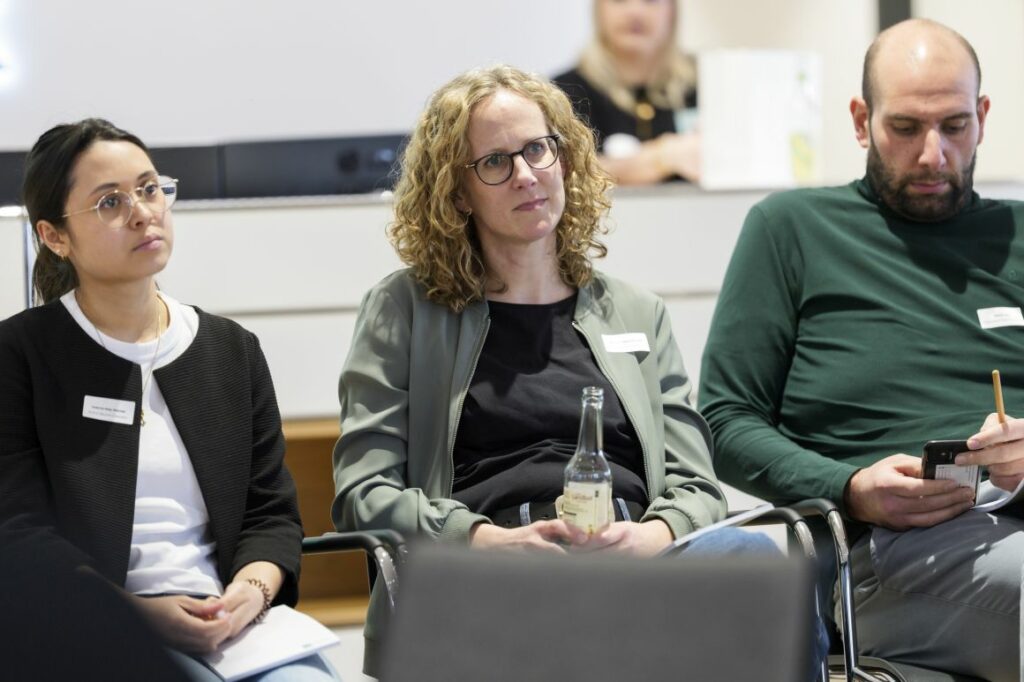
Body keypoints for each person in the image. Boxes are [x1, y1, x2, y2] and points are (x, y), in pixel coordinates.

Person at [331, 65, 730, 675]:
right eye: (495, 162)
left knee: (752, 562)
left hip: (632, 566)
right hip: (485, 573)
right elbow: (363, 493)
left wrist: (650, 538)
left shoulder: (635, 312)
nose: (525, 175)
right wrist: (481, 539)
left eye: (538, 149)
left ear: (564, 159)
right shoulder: (405, 310)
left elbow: (698, 488)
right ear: (456, 193)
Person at [699, 18, 1023, 680]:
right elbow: (723, 422)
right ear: (860, 120)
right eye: (905, 127)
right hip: (891, 548)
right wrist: (847, 487)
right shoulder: (793, 229)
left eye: (955, 126)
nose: (932, 154)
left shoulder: (1018, 235)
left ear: (983, 117)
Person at [0, 119, 338, 681]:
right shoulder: (20, 355)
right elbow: (20, 534)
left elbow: (270, 513)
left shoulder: (231, 349)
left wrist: (250, 593)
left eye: (149, 188)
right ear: (55, 237)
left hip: (234, 626)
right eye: (110, 202)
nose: (142, 212)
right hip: (92, 630)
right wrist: (137, 615)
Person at [554, 0, 700, 185]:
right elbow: (564, 173)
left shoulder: (706, 82)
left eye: (650, 1)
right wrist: (664, 157)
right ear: (598, 9)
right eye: (619, 0)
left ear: (672, 11)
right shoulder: (565, 92)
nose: (635, 12)